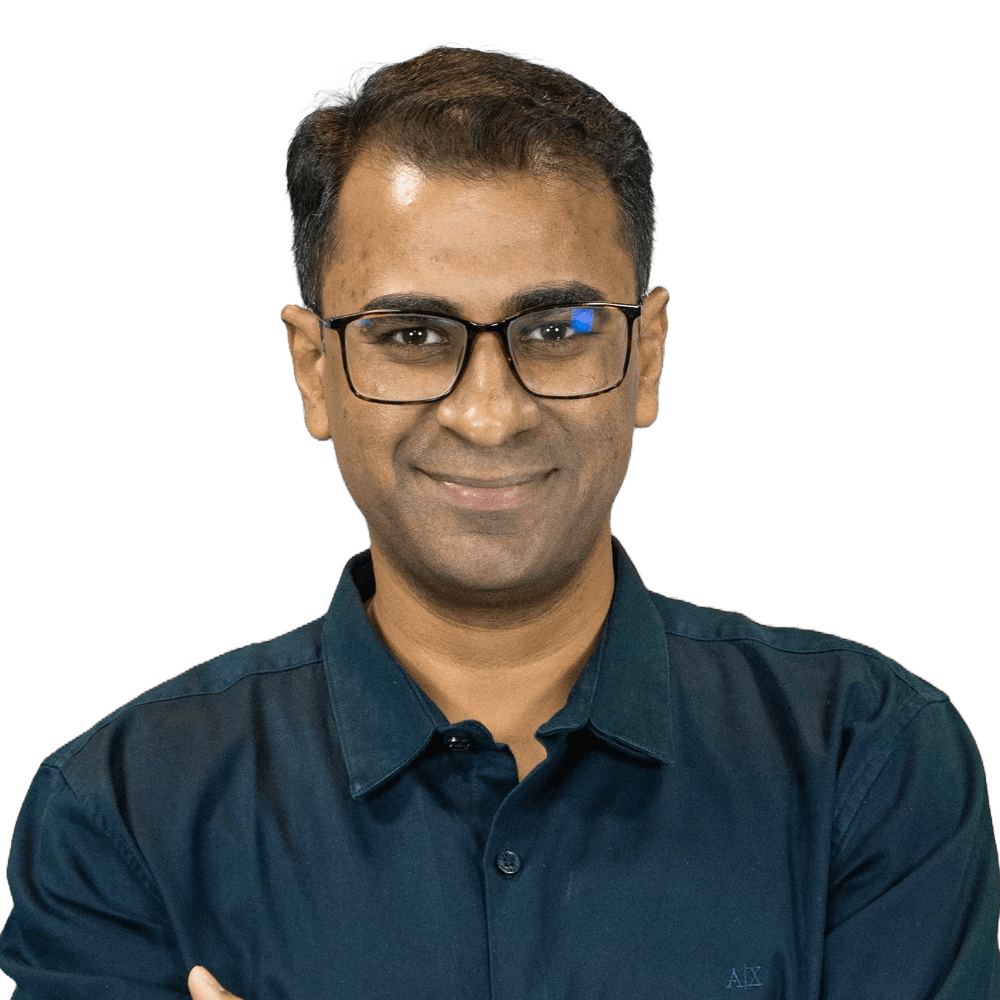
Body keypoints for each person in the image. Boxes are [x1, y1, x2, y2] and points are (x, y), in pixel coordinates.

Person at [1, 42, 998, 1000]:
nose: (488, 414)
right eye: (411, 334)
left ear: (647, 355)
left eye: (556, 329)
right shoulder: (123, 810)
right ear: (313, 371)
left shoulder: (867, 758)